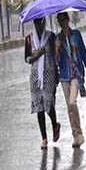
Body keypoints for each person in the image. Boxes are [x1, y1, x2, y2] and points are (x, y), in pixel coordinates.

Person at [55, 12, 86, 148]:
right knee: (69, 107)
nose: (62, 22)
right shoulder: (58, 38)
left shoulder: (76, 35)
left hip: (76, 74)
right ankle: (76, 135)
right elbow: (57, 62)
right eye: (59, 20)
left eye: (64, 20)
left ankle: (79, 133)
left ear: (68, 20)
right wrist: (57, 49)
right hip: (64, 75)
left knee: (72, 103)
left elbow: (83, 53)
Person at [25, 17, 61, 150]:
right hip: (35, 76)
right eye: (36, 23)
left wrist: (57, 75)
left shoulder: (50, 36)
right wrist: (37, 55)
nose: (39, 26)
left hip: (49, 73)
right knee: (39, 107)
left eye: (41, 23)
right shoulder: (29, 39)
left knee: (48, 103)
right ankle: (44, 138)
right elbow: (27, 59)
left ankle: (54, 124)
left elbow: (56, 57)